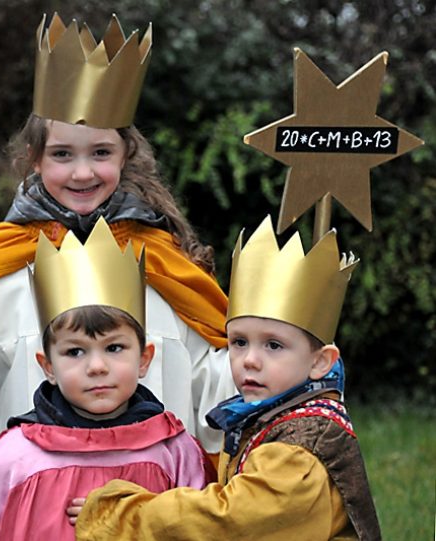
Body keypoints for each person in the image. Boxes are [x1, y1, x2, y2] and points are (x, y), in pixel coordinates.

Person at [0, 12, 236, 503]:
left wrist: (283, 341)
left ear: (126, 156)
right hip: (27, 498)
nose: (83, 172)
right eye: (63, 154)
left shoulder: (164, 261)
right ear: (35, 159)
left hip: (149, 496)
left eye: (101, 153)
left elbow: (206, 377)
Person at [72, 217, 382, 541]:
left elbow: (229, 522)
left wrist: (122, 515)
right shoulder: (270, 415)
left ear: (321, 362)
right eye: (239, 342)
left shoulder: (300, 447)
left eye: (274, 345)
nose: (249, 359)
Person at [0, 218, 213, 540]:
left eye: (114, 348)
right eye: (75, 352)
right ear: (48, 367)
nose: (97, 366)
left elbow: (206, 528)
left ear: (144, 359)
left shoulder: (175, 453)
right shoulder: (13, 458)